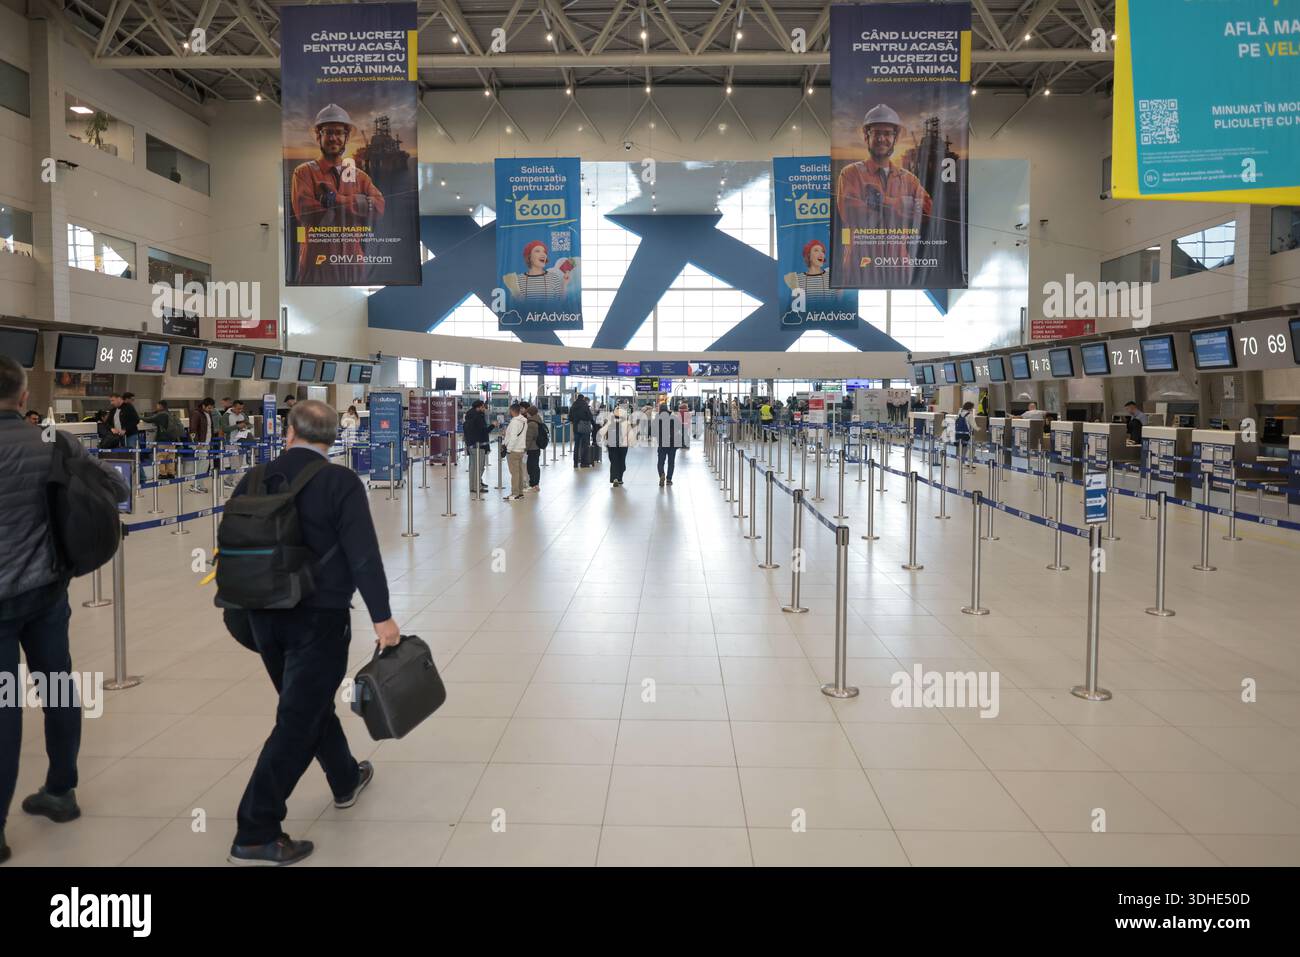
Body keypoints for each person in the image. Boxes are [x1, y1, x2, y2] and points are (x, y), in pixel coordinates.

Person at [225, 400, 399, 866]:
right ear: (334, 437)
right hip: (317, 618)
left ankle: (344, 777)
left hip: (261, 615)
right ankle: (256, 828)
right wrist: (382, 617)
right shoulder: (339, 482)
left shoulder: (254, 477)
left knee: (307, 701)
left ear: (288, 432)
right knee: (298, 720)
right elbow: (363, 555)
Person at [0, 355, 129, 865]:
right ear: (25, 397)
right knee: (57, 686)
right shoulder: (55, 442)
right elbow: (116, 489)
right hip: (47, 591)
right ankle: (60, 790)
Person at [835, 103, 934, 286]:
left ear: (895, 138)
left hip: (898, 267)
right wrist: (899, 205)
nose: (882, 138)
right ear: (867, 137)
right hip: (860, 266)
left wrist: (877, 202)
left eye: (888, 133)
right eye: (876, 133)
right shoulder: (850, 174)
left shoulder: (908, 179)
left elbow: (928, 210)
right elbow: (851, 212)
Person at [289, 104, 386, 285]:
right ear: (319, 136)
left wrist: (334, 201)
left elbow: (379, 207)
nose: (333, 138)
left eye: (339, 132)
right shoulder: (303, 173)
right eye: (328, 132)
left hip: (353, 264)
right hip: (317, 264)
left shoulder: (361, 177)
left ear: (346, 137)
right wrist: (359, 204)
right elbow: (305, 213)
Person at [655, 402, 689, 486]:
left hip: (662, 443)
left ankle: (662, 474)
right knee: (671, 462)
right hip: (673, 443)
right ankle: (669, 479)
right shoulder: (673, 417)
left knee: (660, 462)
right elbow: (681, 428)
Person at [188, 397, 217, 493]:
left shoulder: (207, 413)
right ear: (203, 405)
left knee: (201, 464)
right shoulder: (196, 413)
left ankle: (197, 484)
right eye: (209, 407)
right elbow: (192, 428)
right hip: (200, 443)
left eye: (212, 408)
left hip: (206, 442)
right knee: (204, 463)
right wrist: (196, 442)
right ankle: (198, 484)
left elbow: (209, 428)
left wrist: (210, 441)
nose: (210, 409)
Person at [600, 403, 632, 487]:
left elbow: (602, 432)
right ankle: (620, 478)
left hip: (612, 444)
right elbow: (631, 434)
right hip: (623, 445)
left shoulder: (610, 420)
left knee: (614, 461)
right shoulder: (626, 421)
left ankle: (615, 478)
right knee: (622, 460)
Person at [463, 399, 490, 493]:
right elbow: (484, 431)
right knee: (479, 467)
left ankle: (473, 486)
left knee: (473, 467)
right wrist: (493, 426)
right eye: (483, 407)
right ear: (478, 407)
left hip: (471, 444)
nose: (484, 408)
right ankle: (477, 486)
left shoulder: (468, 415)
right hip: (479, 445)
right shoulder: (478, 417)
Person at [502, 402, 527, 501]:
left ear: (512, 411)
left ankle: (515, 493)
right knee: (519, 472)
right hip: (521, 449)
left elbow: (513, 438)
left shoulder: (514, 422)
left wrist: (508, 449)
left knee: (515, 473)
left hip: (514, 450)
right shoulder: (524, 421)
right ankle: (520, 493)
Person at [523, 401, 543, 492]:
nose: (526, 414)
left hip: (532, 448)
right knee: (535, 466)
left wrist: (524, 449)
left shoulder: (531, 424)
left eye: (527, 413)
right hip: (537, 448)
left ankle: (533, 485)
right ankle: (536, 484)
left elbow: (528, 439)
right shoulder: (538, 420)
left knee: (531, 467)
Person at [569, 393, 594, 468]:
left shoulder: (573, 406)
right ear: (583, 398)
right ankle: (584, 463)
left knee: (576, 446)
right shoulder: (585, 405)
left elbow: (570, 417)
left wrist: (575, 420)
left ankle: (575, 463)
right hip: (584, 429)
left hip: (576, 428)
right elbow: (590, 416)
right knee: (584, 446)